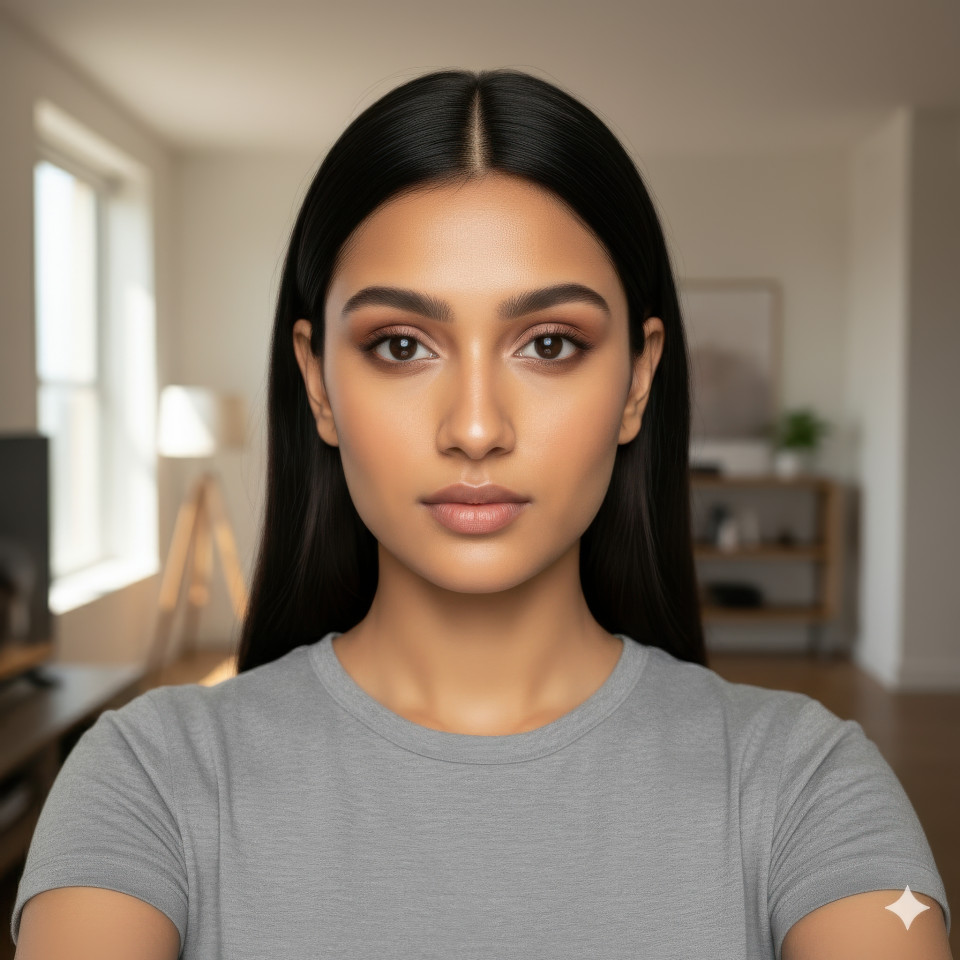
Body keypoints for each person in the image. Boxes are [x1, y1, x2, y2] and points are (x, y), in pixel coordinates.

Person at [10, 68, 952, 960]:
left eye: (549, 344)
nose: (473, 428)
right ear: (318, 384)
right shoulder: (146, 777)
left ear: (638, 382)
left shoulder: (810, 783)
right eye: (400, 345)